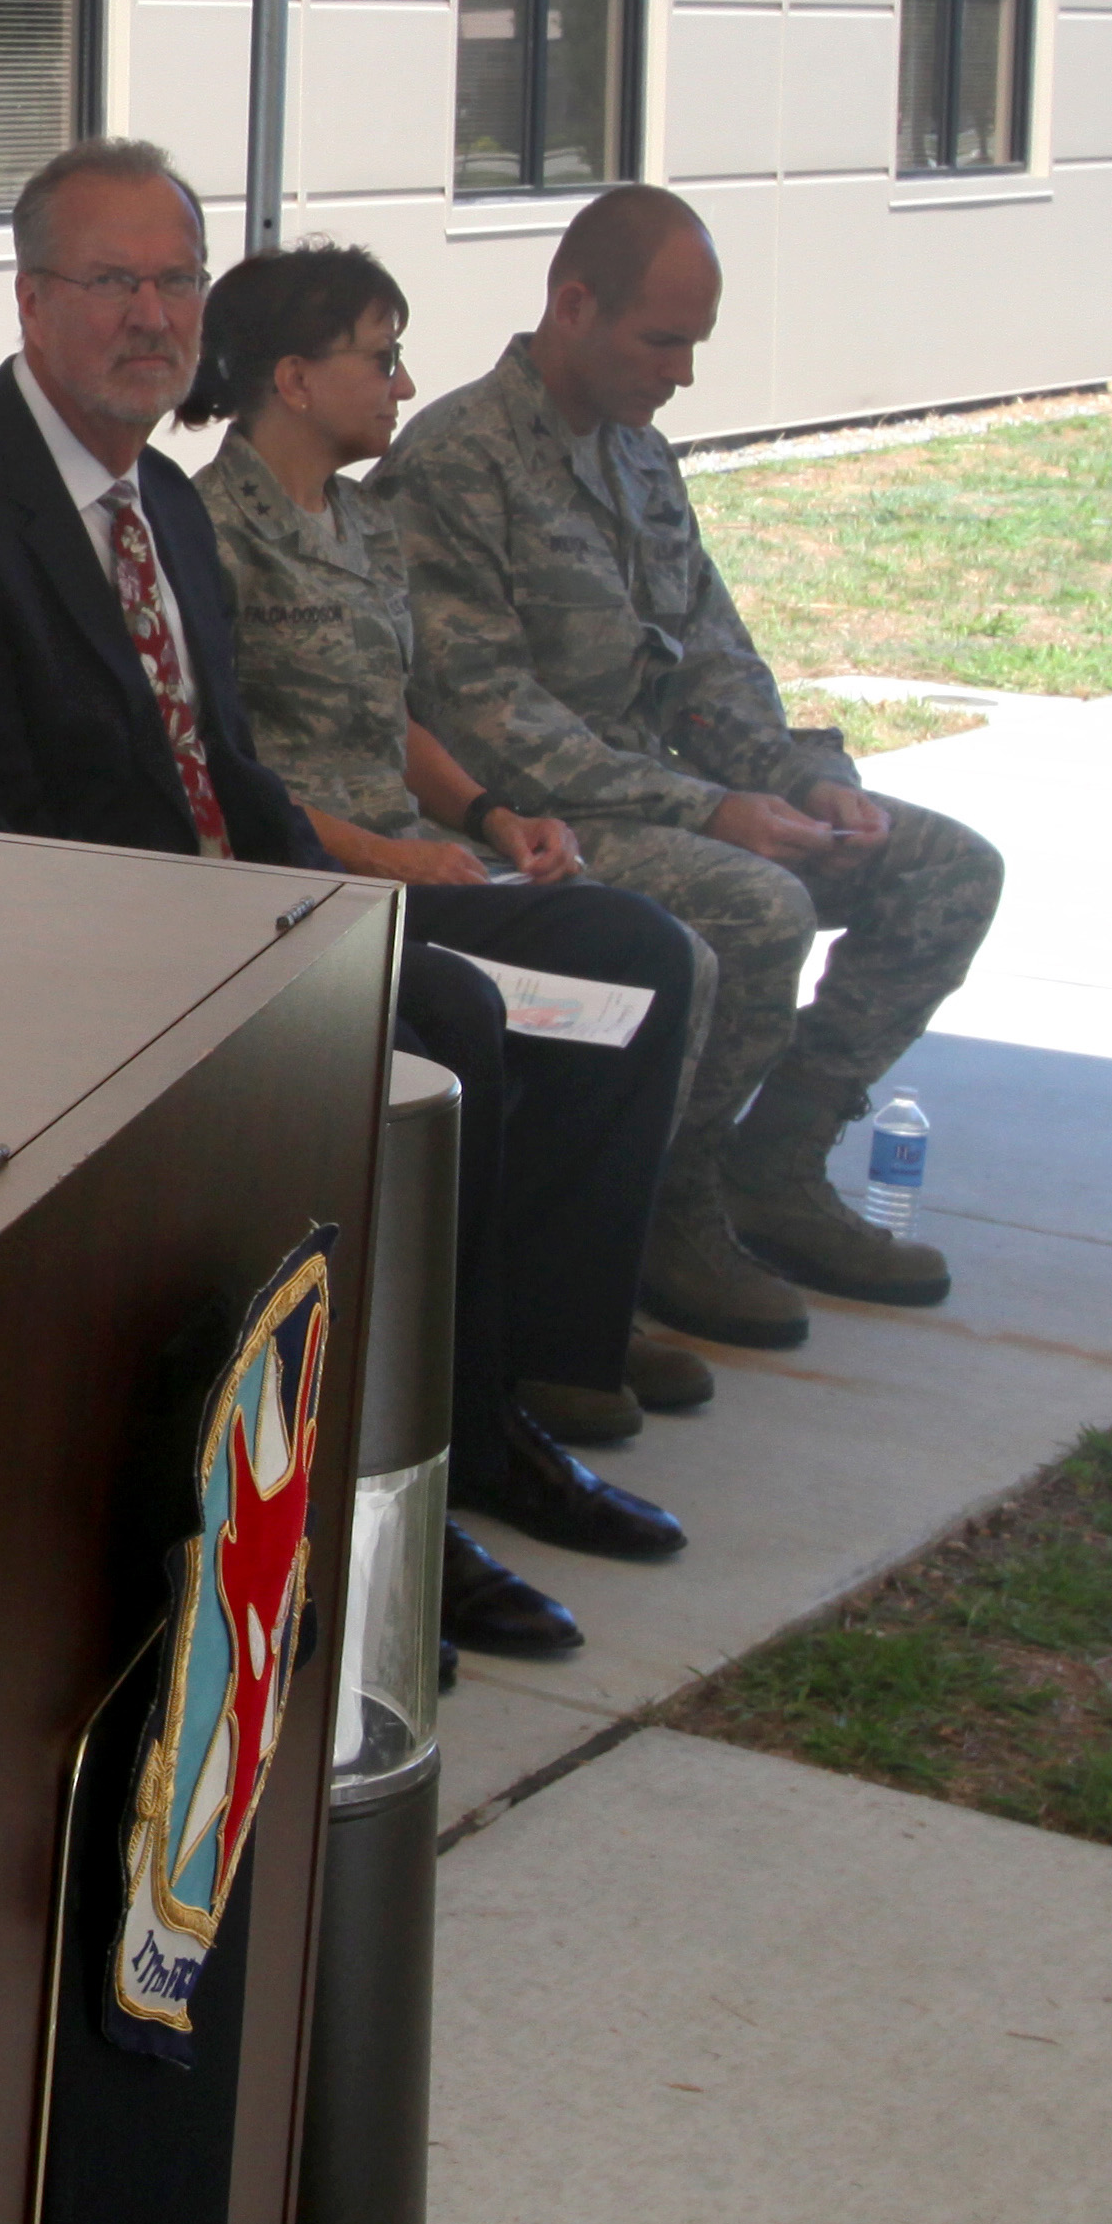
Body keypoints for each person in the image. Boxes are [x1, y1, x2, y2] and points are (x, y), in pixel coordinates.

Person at [0, 146, 701, 1662]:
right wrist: (281, 935)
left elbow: (225, 765)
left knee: (597, 969)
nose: (151, 314)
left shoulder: (158, 502)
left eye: (176, 281)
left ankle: (487, 1416)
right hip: (83, 961)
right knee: (443, 1022)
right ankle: (376, 1513)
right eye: (113, 282)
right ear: (30, 297)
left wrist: (343, 895)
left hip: (250, 908)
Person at [387, 184, 1004, 1348]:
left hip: (669, 800)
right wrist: (715, 809)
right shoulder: (458, 461)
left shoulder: (638, 459)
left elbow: (709, 659)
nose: (681, 373)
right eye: (661, 340)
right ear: (573, 306)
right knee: (760, 906)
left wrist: (801, 775)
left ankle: (778, 1166)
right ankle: (670, 1212)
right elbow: (487, 723)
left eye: (694, 344)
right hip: (530, 822)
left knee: (948, 871)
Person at [182, 238, 725, 1453]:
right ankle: (495, 1356)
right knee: (503, 1001)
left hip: (419, 855)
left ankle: (568, 1326)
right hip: (315, 881)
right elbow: (228, 773)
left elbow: (395, 711)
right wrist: (393, 858)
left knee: (642, 949)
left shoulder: (366, 522)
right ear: (293, 379)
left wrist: (488, 817)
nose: (403, 385)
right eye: (379, 359)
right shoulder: (211, 530)